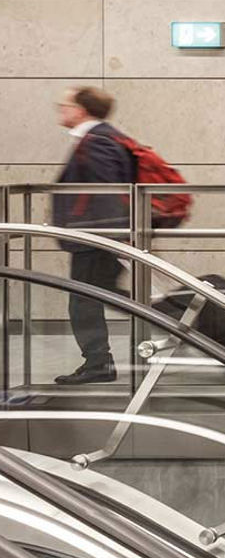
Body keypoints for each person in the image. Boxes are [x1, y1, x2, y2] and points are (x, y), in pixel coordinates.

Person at [51, 86, 131, 385]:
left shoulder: (97, 141)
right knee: (104, 295)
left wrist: (108, 237)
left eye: (65, 105)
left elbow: (107, 190)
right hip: (99, 236)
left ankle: (98, 363)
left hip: (95, 238)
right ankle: (99, 362)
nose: (61, 109)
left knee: (84, 300)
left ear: (82, 110)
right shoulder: (101, 137)